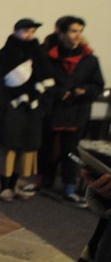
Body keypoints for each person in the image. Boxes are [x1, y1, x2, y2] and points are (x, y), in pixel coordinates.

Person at [0, 18, 56, 202]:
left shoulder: (39, 55)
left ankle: (15, 184)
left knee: (25, 148)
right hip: (11, 108)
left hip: (32, 110)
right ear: (16, 31)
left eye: (33, 32)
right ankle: (5, 186)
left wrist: (43, 107)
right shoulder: (3, 56)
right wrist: (2, 106)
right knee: (8, 148)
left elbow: (48, 80)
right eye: (26, 31)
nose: (30, 35)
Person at [38, 15, 106, 205]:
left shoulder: (90, 60)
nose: (77, 35)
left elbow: (97, 85)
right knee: (46, 148)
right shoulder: (49, 57)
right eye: (73, 31)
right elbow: (41, 81)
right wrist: (59, 92)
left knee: (71, 152)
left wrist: (82, 91)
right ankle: (42, 182)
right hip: (53, 109)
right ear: (61, 33)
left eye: (80, 31)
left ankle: (69, 188)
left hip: (76, 111)